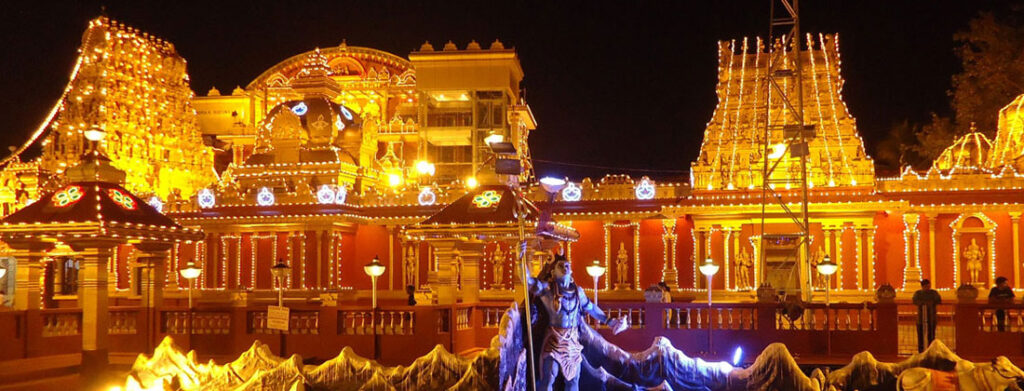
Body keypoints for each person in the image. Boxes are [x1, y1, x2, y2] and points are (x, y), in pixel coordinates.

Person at [525, 252, 628, 391]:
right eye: (560, 266)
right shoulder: (547, 290)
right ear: (553, 272)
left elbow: (591, 308)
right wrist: (521, 258)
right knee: (548, 379)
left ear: (571, 270)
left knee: (573, 382)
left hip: (573, 342)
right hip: (554, 340)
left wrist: (609, 321)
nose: (565, 268)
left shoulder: (578, 292)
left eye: (567, 265)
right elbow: (528, 281)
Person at [912, 279, 942, 352]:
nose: (928, 288)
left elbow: (939, 300)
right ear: (922, 286)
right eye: (926, 286)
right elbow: (915, 301)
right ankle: (921, 351)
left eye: (929, 286)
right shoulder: (918, 293)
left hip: (932, 317)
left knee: (931, 335)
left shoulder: (933, 293)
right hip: (921, 318)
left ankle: (931, 350)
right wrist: (925, 303)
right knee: (921, 336)